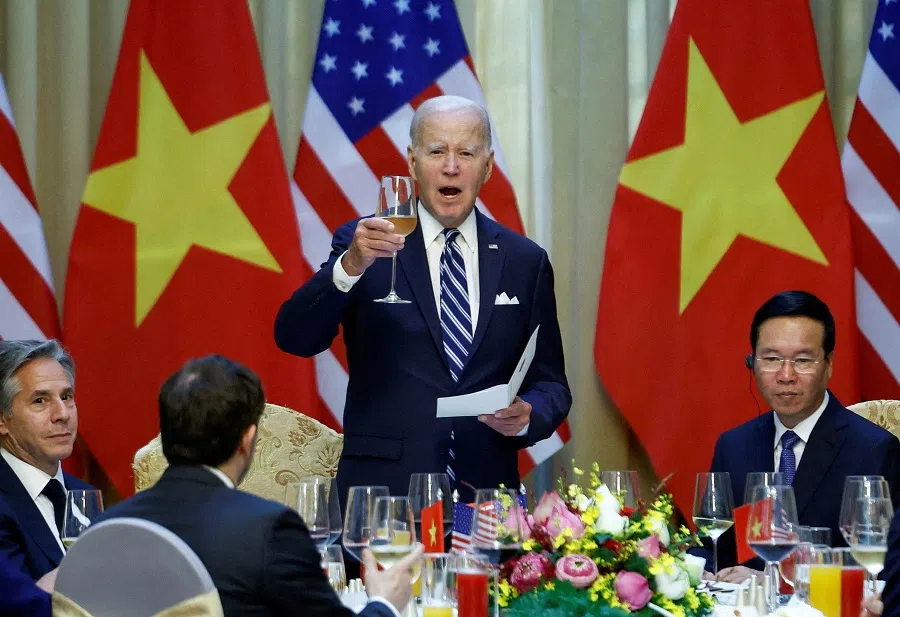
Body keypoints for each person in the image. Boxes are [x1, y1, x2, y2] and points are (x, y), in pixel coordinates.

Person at [275, 95, 571, 502]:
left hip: (484, 497)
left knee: (479, 571)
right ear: (413, 163)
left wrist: (529, 414)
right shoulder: (364, 245)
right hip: (384, 498)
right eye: (437, 151)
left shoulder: (525, 261)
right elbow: (294, 336)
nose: (451, 166)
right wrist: (349, 266)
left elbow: (551, 382)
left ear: (486, 167)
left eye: (466, 152)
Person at [96, 354, 420, 617]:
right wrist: (385, 603)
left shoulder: (106, 528)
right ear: (247, 440)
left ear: (166, 439)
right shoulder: (270, 530)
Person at [704, 291, 900, 582]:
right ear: (752, 363)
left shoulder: (873, 450)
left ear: (829, 364)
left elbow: (886, 568)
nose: (786, 375)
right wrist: (696, 571)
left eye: (803, 360)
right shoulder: (734, 445)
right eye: (771, 358)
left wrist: (777, 582)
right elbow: (711, 546)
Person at [0, 340, 96, 581]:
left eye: (67, 396)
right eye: (40, 401)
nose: (62, 414)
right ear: (2, 420)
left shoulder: (85, 496)